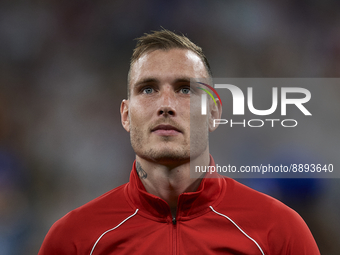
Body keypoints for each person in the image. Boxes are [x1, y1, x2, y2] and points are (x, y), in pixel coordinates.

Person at [38, 29, 320, 255]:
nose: (166, 105)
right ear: (126, 115)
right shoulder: (73, 240)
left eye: (185, 89)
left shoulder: (279, 231)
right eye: (148, 89)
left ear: (213, 113)